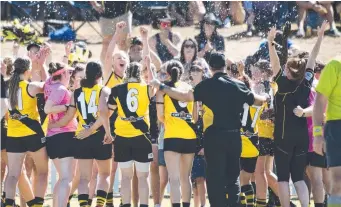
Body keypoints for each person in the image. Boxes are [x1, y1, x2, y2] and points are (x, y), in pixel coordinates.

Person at [150, 51, 268, 207]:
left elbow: (185, 97)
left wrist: (162, 86)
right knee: (233, 177)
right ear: (225, 67)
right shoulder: (238, 85)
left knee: (214, 177)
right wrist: (266, 97)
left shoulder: (205, 85)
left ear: (210, 68)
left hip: (213, 137)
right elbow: (257, 101)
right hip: (233, 137)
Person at [267, 21, 327, 207]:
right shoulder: (306, 82)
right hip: (302, 138)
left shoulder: (282, 84)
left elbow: (275, 61)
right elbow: (313, 58)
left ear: (288, 71)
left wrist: (270, 41)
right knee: (299, 179)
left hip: (283, 136)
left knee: (284, 179)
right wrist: (320, 37)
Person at [48, 61, 112, 207]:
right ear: (100, 75)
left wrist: (53, 124)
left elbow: (69, 116)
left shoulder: (77, 92)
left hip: (81, 137)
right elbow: (103, 112)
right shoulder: (104, 90)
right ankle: (99, 205)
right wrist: (107, 132)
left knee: (83, 178)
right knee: (104, 174)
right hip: (99, 135)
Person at [101, 60, 155, 207]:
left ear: (126, 73)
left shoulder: (117, 89)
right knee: (143, 177)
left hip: (122, 137)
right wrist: (149, 68)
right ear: (140, 74)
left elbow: (108, 112)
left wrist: (107, 132)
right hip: (142, 137)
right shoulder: (147, 88)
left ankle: (125, 205)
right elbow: (154, 82)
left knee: (125, 177)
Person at [4, 57, 49, 207]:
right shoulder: (32, 86)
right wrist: (41, 66)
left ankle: (8, 203)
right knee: (42, 172)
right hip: (33, 134)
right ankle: (38, 204)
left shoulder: (6, 85)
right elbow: (49, 85)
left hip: (13, 135)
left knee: (12, 175)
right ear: (27, 70)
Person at [156, 60, 195, 207]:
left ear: (167, 73)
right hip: (190, 136)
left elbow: (160, 117)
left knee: (174, 178)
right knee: (186, 177)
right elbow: (196, 114)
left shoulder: (162, 90)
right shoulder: (189, 88)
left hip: (172, 135)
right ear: (182, 72)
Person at [44, 62, 77, 207]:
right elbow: (47, 109)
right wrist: (68, 106)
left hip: (53, 137)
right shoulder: (61, 89)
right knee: (66, 179)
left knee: (62, 178)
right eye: (68, 73)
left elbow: (48, 76)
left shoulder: (49, 85)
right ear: (62, 74)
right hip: (64, 136)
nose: (70, 76)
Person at [251, 60, 282, 207]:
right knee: (268, 173)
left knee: (259, 172)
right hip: (271, 134)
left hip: (262, 133)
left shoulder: (260, 86)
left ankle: (261, 203)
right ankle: (285, 200)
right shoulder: (275, 86)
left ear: (263, 73)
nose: (253, 74)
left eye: (255, 71)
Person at [313, 57, 341, 206]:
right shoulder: (335, 66)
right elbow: (320, 100)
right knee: (338, 182)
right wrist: (317, 133)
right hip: (337, 128)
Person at [189, 65, 207, 207]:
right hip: (190, 138)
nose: (195, 73)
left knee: (201, 178)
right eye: (193, 70)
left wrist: (206, 145)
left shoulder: (207, 90)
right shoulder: (188, 91)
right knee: (193, 180)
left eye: (198, 71)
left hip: (204, 140)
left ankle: (202, 204)